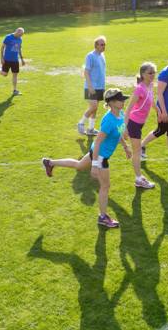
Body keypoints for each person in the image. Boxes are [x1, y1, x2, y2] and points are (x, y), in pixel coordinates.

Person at [41, 88, 131, 228]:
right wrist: (95, 165)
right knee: (105, 186)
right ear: (112, 102)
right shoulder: (108, 121)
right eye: (120, 99)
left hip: (98, 152)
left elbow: (119, 131)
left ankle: (50, 162)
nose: (123, 101)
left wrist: (125, 146)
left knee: (78, 165)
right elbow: (99, 142)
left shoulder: (120, 113)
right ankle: (103, 217)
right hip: (100, 155)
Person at [125, 62, 159, 189]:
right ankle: (139, 178)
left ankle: (94, 159)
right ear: (143, 74)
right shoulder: (139, 88)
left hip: (139, 124)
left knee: (112, 141)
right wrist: (124, 129)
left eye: (154, 73)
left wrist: (159, 111)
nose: (152, 75)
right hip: (133, 123)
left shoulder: (150, 85)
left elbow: (151, 101)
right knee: (137, 151)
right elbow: (128, 109)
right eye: (150, 73)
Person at [77, 36, 107, 136]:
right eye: (102, 44)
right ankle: (81, 123)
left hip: (100, 86)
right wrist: (90, 86)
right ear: (96, 45)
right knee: (93, 106)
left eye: (104, 44)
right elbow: (86, 71)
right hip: (91, 86)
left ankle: (91, 128)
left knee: (95, 108)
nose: (104, 46)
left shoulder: (102, 55)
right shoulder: (90, 56)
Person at [0, 27, 25, 96]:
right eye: (20, 34)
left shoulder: (20, 39)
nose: (20, 36)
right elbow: (2, 48)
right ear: (16, 31)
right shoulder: (8, 37)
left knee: (15, 75)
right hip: (7, 59)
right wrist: (2, 58)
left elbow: (19, 49)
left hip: (15, 60)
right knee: (5, 74)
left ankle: (15, 90)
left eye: (22, 35)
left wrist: (22, 59)